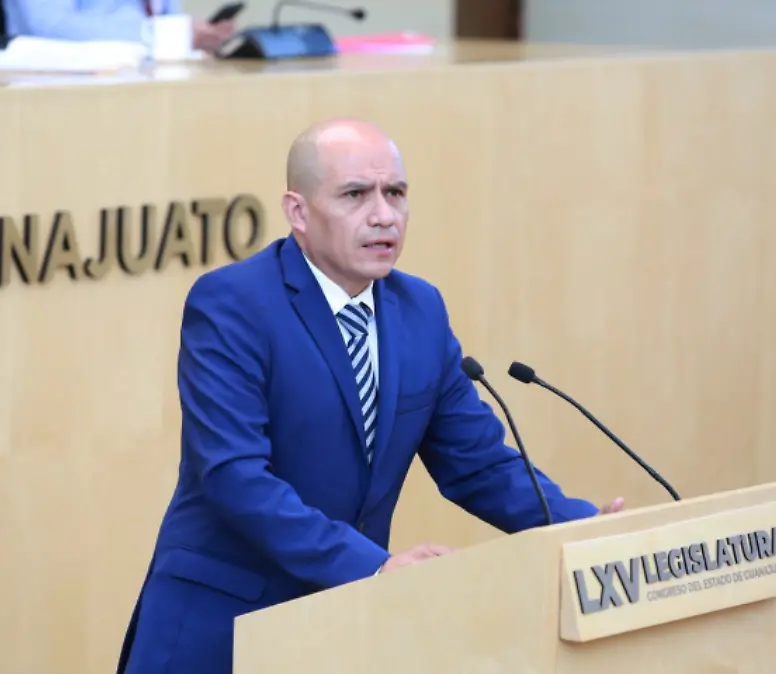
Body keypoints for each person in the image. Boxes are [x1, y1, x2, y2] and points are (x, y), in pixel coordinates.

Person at [116, 118, 625, 674]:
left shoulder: (420, 310)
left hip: (344, 628)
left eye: (396, 193)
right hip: (223, 627)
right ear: (298, 212)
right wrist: (374, 567)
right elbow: (234, 477)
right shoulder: (233, 304)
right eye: (355, 195)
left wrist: (582, 530)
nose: (384, 215)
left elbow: (477, 463)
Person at [2, 0, 236, 54]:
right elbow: (51, 24)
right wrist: (156, 35)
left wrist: (195, 37)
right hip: (62, 87)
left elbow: (164, 19)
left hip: (150, 78)